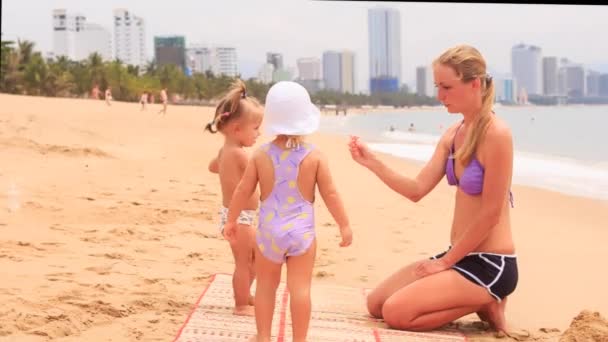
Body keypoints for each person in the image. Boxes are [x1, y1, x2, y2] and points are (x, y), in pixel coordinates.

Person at [348, 44, 517, 334]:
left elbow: (491, 214)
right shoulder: (453, 134)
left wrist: (445, 263)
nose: (440, 96)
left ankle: (488, 300)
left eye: (447, 87)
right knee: (376, 304)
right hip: (460, 256)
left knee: (396, 313)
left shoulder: (497, 135)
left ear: (474, 84)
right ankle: (480, 303)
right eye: (438, 87)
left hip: (491, 265)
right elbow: (416, 189)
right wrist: (372, 162)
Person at [223, 81, 353, 342]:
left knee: (266, 289)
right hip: (301, 234)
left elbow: (242, 191)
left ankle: (263, 337)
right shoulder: (315, 156)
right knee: (300, 290)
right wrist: (344, 224)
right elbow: (331, 194)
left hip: (269, 232)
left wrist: (232, 219)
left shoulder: (260, 155)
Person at [205, 79, 264, 316]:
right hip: (240, 218)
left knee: (253, 259)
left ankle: (245, 295)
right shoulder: (240, 155)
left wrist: (226, 171)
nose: (259, 133)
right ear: (237, 129)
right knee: (244, 262)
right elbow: (259, 176)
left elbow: (213, 167)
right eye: (256, 128)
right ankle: (241, 304)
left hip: (235, 215)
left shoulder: (225, 151)